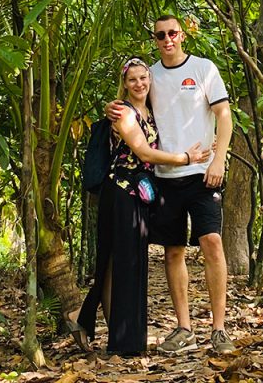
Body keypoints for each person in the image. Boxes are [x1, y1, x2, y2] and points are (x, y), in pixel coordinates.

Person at [107, 15, 235, 354]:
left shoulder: (205, 68)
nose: (168, 39)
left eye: (173, 33)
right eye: (161, 35)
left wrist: (219, 159)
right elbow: (133, 103)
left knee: (212, 242)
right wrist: (113, 105)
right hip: (165, 177)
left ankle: (219, 329)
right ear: (155, 39)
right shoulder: (150, 75)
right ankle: (184, 328)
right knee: (173, 250)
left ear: (183, 35)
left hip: (204, 173)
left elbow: (224, 116)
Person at [66, 57, 210, 356]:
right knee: (117, 263)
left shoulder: (151, 110)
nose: (140, 83)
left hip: (140, 193)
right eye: (133, 79)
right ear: (125, 83)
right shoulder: (124, 112)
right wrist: (186, 158)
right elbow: (143, 150)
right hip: (120, 191)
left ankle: (91, 322)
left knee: (127, 264)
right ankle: (119, 339)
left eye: (144, 77)